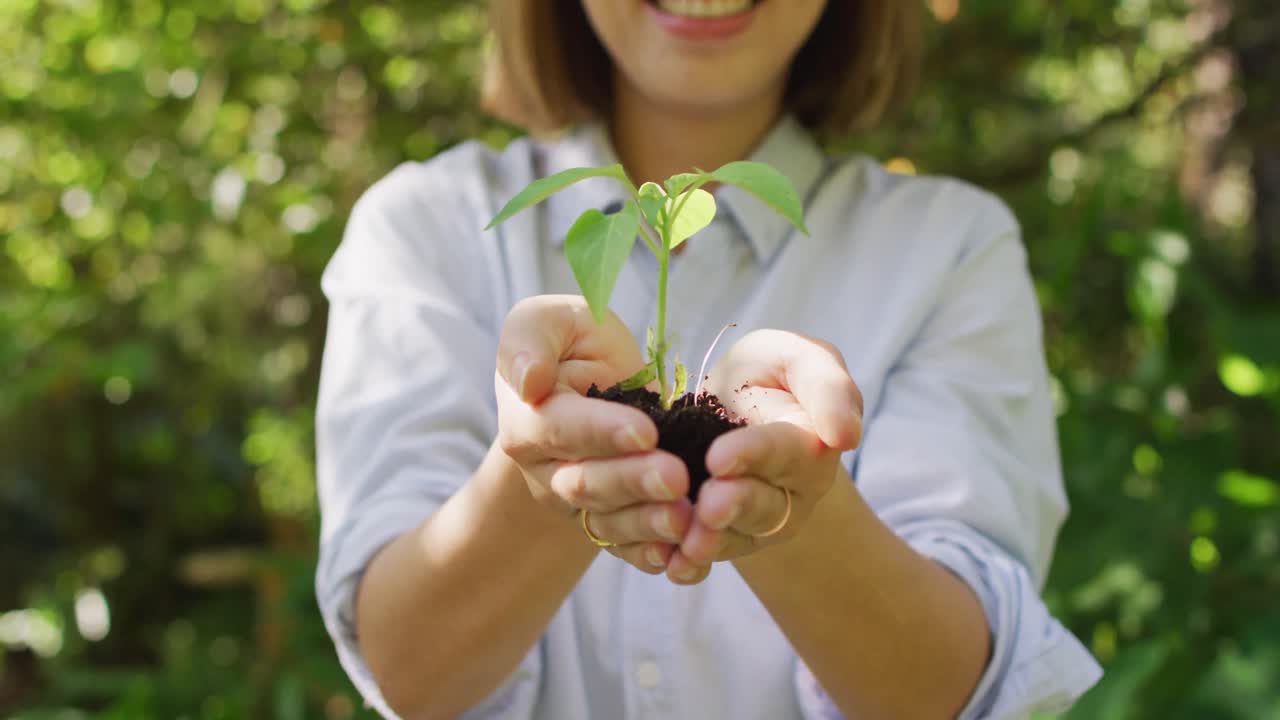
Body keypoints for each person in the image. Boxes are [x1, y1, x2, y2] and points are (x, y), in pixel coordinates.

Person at [315, 1, 1103, 718]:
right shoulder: (427, 229)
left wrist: (801, 504)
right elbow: (407, 672)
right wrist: (554, 466)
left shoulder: (949, 247)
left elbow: (945, 692)